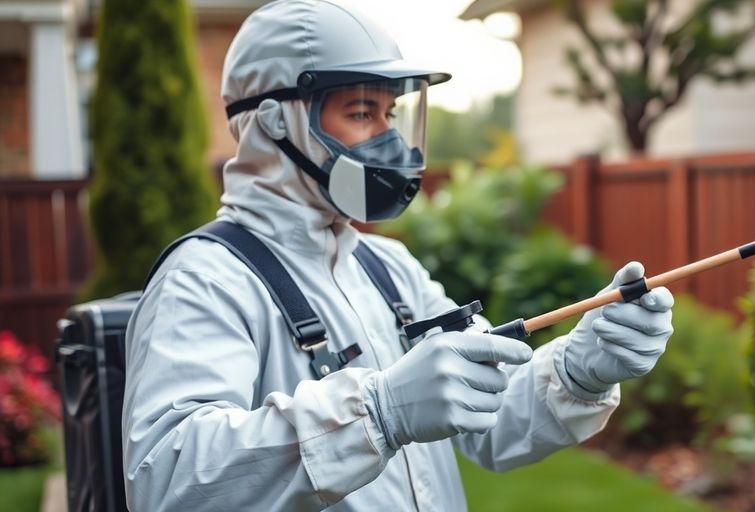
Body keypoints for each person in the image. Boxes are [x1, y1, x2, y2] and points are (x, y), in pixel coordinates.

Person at [121, 0, 674, 510]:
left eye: (391, 115)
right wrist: (378, 414)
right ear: (274, 125)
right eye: (363, 114)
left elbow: (488, 419)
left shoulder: (387, 268)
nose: (391, 141)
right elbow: (168, 480)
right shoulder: (205, 280)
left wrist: (581, 369)